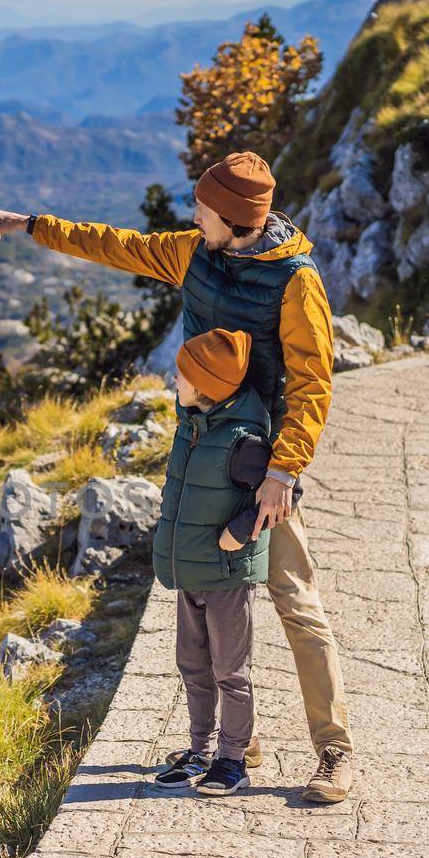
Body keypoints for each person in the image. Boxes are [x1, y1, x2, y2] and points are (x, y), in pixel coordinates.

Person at [0, 150, 354, 803]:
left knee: (293, 597)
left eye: (203, 210)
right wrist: (28, 223)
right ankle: (238, 735)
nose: (193, 217)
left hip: (260, 465)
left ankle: (335, 750)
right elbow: (116, 245)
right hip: (202, 448)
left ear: (235, 218)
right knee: (207, 592)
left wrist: (284, 471)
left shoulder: (295, 281)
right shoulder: (194, 250)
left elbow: (313, 383)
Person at [149, 328, 302, 796]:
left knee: (230, 672)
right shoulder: (193, 424)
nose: (174, 379)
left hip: (227, 575)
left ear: (207, 384)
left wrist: (240, 533)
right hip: (191, 569)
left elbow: (285, 496)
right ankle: (199, 749)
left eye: (182, 374)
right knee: (192, 667)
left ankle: (233, 760)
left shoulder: (244, 440)